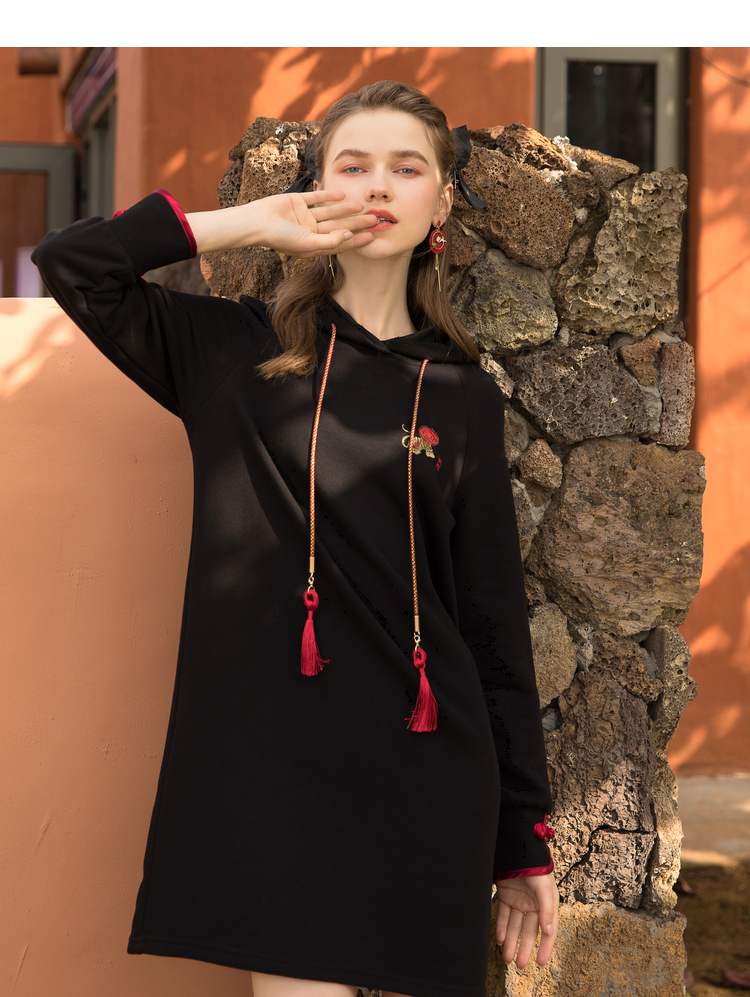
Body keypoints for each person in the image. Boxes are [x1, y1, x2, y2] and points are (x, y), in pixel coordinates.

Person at [32, 80, 559, 997]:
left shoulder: (463, 394)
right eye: (353, 165)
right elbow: (74, 264)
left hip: (425, 774)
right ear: (318, 187)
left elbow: (491, 624)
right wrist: (250, 224)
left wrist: (524, 843)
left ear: (441, 202)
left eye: (407, 168)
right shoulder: (230, 353)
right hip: (271, 774)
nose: (377, 185)